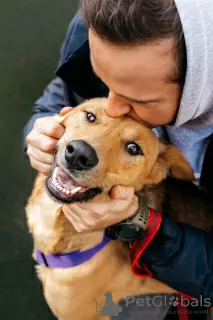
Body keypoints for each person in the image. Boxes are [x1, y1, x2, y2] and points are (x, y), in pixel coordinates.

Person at [24, 0, 213, 318]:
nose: (109, 106)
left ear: (201, 89)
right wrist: (41, 134)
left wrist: (141, 224)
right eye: (102, 81)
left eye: (136, 99)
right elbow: (56, 100)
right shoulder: (105, 28)